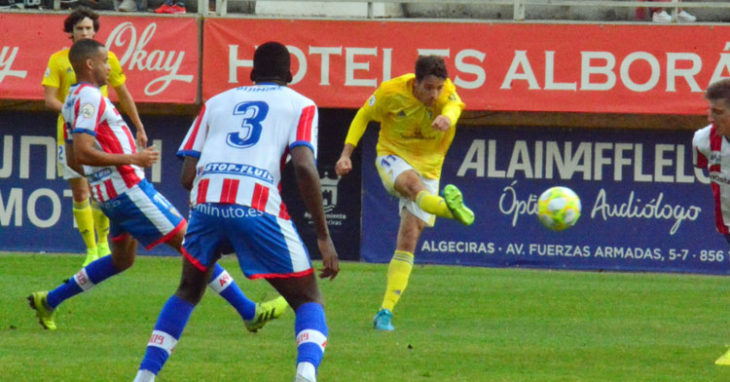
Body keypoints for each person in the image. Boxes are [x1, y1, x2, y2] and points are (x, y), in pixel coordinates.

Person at [28, 39, 288, 336]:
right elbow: (84, 152)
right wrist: (132, 158)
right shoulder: (90, 98)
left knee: (122, 260)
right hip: (128, 190)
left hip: (111, 194)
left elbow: (74, 158)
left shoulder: (72, 98)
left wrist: (103, 180)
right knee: (194, 244)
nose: (109, 66)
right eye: (104, 61)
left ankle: (49, 300)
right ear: (89, 65)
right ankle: (249, 311)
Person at [133, 41, 339, 382]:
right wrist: (323, 235)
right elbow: (303, 166)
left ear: (251, 73)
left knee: (188, 290)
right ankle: (305, 374)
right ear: (290, 75)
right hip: (256, 203)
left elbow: (187, 176)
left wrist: (217, 215)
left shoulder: (215, 102)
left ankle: (144, 376)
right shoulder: (301, 104)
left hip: (206, 202)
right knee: (307, 298)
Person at [335, 55, 474, 331]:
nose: (435, 94)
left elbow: (455, 107)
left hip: (430, 168)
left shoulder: (446, 93)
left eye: (439, 88)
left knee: (409, 238)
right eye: (429, 88)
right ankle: (449, 210)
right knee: (413, 186)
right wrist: (346, 154)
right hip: (393, 157)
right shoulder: (391, 92)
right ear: (416, 82)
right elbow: (363, 115)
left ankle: (385, 311)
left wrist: (447, 118)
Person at [42, 7, 144, 267]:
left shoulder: (107, 58)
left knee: (104, 190)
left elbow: (122, 93)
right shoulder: (58, 60)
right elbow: (49, 99)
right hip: (71, 132)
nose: (84, 32)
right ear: (71, 32)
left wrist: (139, 125)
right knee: (80, 191)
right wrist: (70, 110)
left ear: (96, 31)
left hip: (102, 133)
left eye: (89, 28)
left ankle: (103, 244)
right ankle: (90, 250)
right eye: (79, 29)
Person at [693, 78, 730, 366]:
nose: (710, 117)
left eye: (718, 112)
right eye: (710, 110)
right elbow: (703, 170)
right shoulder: (703, 140)